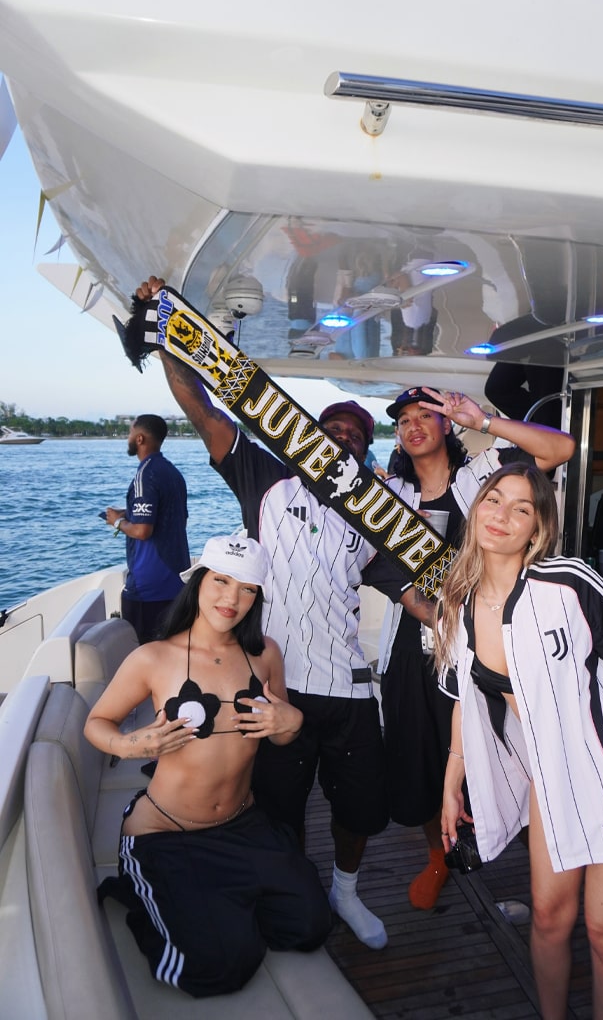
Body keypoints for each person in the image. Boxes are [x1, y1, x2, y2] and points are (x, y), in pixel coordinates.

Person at [129, 275, 432, 952]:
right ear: (309, 440)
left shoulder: (375, 515)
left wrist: (470, 620)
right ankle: (290, 885)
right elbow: (202, 407)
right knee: (277, 807)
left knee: (360, 810)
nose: (343, 439)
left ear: (364, 453)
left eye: (356, 436)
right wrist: (170, 329)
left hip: (349, 689)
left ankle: (346, 892)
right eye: (332, 431)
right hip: (273, 685)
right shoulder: (265, 480)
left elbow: (413, 594)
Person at [435, 462, 603, 1020]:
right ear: (477, 506)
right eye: (494, 499)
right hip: (552, 784)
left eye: (521, 508)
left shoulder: (565, 582)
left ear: (537, 529)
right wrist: (452, 780)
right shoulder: (456, 599)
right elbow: (465, 693)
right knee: (548, 920)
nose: (502, 515)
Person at [84, 531, 331, 997]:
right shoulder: (154, 657)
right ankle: (145, 892)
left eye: (247, 589)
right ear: (198, 581)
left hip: (243, 825)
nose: (231, 599)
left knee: (310, 925)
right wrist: (131, 745)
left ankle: (216, 898)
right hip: (167, 832)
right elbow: (96, 723)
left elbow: (280, 731)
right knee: (219, 967)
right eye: (221, 581)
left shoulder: (265, 654)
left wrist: (292, 720)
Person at [378, 387, 575, 910]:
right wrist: (424, 608)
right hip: (413, 645)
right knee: (422, 757)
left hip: (489, 642)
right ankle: (438, 855)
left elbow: (560, 450)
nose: (414, 425)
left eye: (426, 415)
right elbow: (375, 565)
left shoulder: (484, 477)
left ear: (447, 424)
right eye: (404, 419)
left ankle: (538, 859)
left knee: (512, 747)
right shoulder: (387, 492)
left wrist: (483, 420)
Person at [103, 414, 190, 644]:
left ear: (140, 438)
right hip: (175, 584)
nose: (128, 438)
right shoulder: (173, 473)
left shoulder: (145, 475)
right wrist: (128, 513)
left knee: (144, 654)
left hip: (148, 588)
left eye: (130, 433)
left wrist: (117, 522)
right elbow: (173, 517)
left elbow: (142, 531)